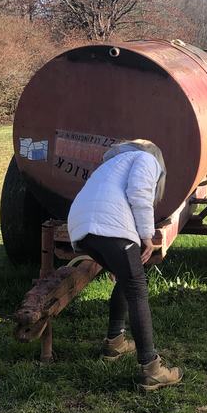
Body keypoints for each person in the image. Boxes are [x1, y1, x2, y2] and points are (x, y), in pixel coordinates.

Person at [67, 139, 183, 391]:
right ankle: (151, 369)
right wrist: (146, 236)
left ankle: (115, 343)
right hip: (110, 228)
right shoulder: (147, 159)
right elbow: (139, 194)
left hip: (82, 229)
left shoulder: (110, 165)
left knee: (126, 278)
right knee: (137, 289)